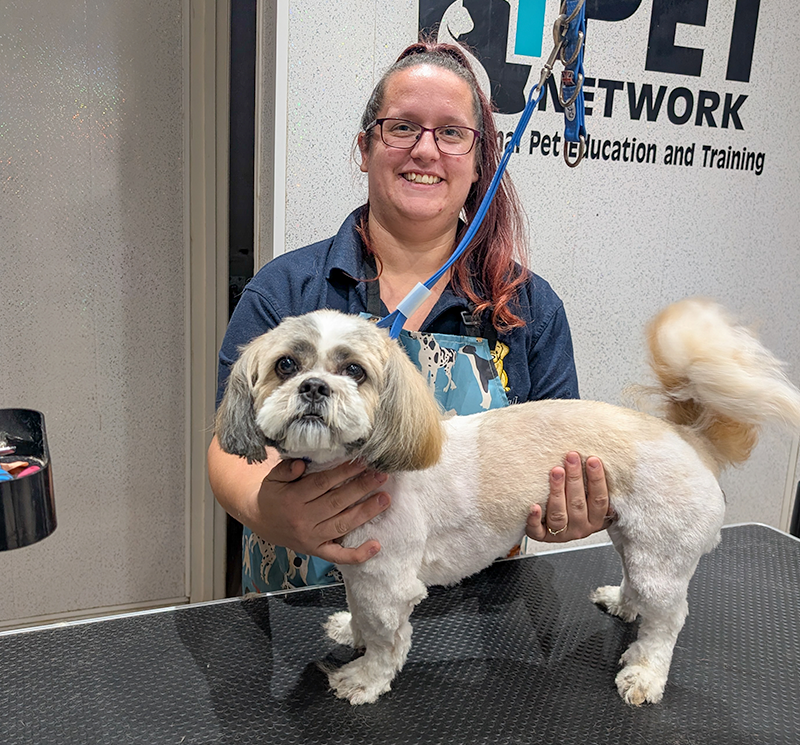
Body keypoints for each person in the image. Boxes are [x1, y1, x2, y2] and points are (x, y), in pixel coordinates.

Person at [207, 40, 611, 593]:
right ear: (365, 147)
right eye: (402, 127)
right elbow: (226, 440)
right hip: (302, 602)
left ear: (478, 162)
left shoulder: (528, 309)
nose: (426, 151)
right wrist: (264, 510)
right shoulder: (287, 288)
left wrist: (572, 511)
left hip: (481, 613)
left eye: (451, 133)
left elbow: (560, 450)